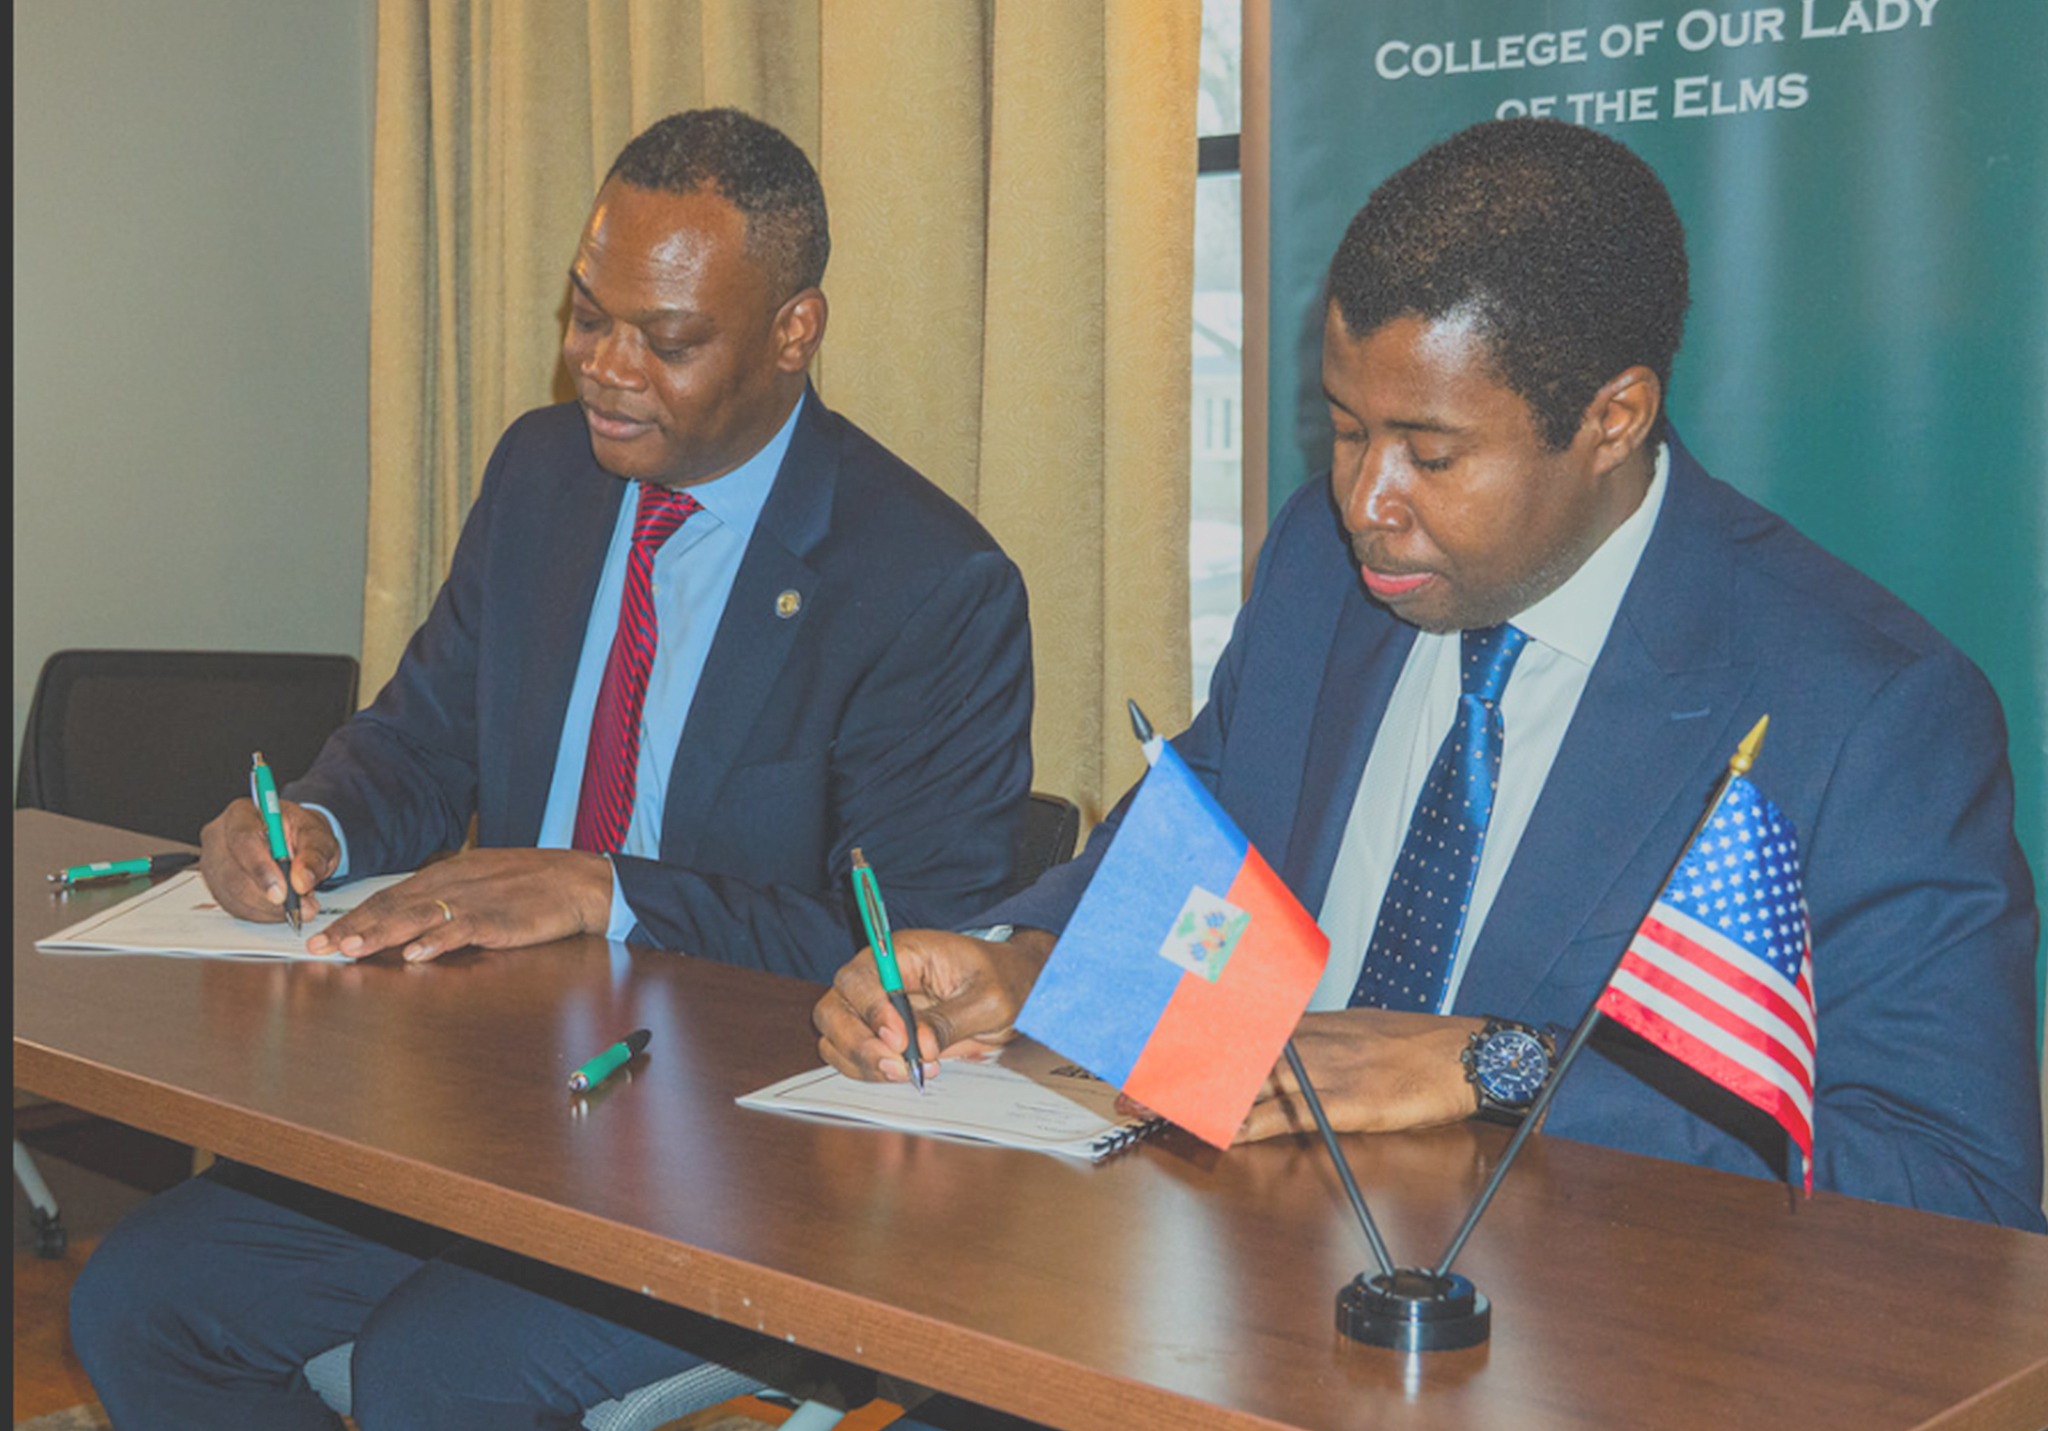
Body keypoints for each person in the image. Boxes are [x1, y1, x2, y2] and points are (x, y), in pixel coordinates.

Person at [815, 117, 2046, 1233]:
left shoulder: (1861, 713)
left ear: (1613, 418)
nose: (1364, 503)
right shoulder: (1318, 562)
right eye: (1347, 429)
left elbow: (1954, 1185)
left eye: (1430, 453)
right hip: (1226, 1271)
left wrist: (1491, 1068)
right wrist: (1023, 963)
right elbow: (1202, 849)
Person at [72, 108, 1030, 1427]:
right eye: (589, 312)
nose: (605, 365)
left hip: (743, 1154)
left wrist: (606, 887)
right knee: (138, 1300)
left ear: (795, 332)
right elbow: (419, 738)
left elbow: (910, 947)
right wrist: (317, 825)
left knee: (432, 1371)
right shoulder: (541, 472)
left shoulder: (927, 584)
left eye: (666, 336)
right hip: (490, 1095)